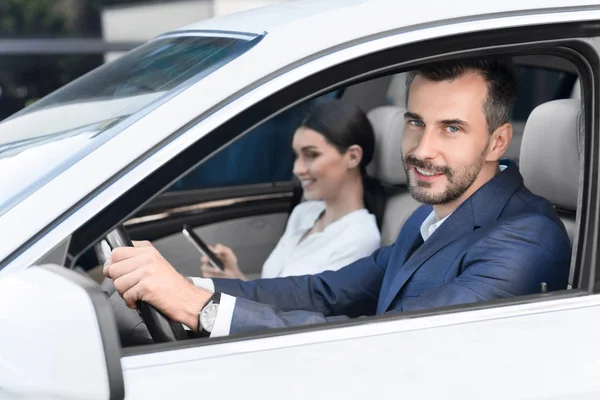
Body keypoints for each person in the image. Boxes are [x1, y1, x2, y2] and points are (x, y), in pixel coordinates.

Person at [104, 59, 572, 338]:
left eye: (452, 128)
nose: (422, 149)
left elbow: (393, 341)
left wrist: (199, 310)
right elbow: (322, 291)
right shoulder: (428, 219)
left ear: (496, 142)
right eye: (415, 122)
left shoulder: (526, 239)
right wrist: (184, 285)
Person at [201, 100, 382, 281]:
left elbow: (310, 309)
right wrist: (237, 279)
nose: (297, 169)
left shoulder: (360, 238)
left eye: (311, 155)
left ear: (352, 157)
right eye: (297, 156)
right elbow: (275, 297)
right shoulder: (304, 213)